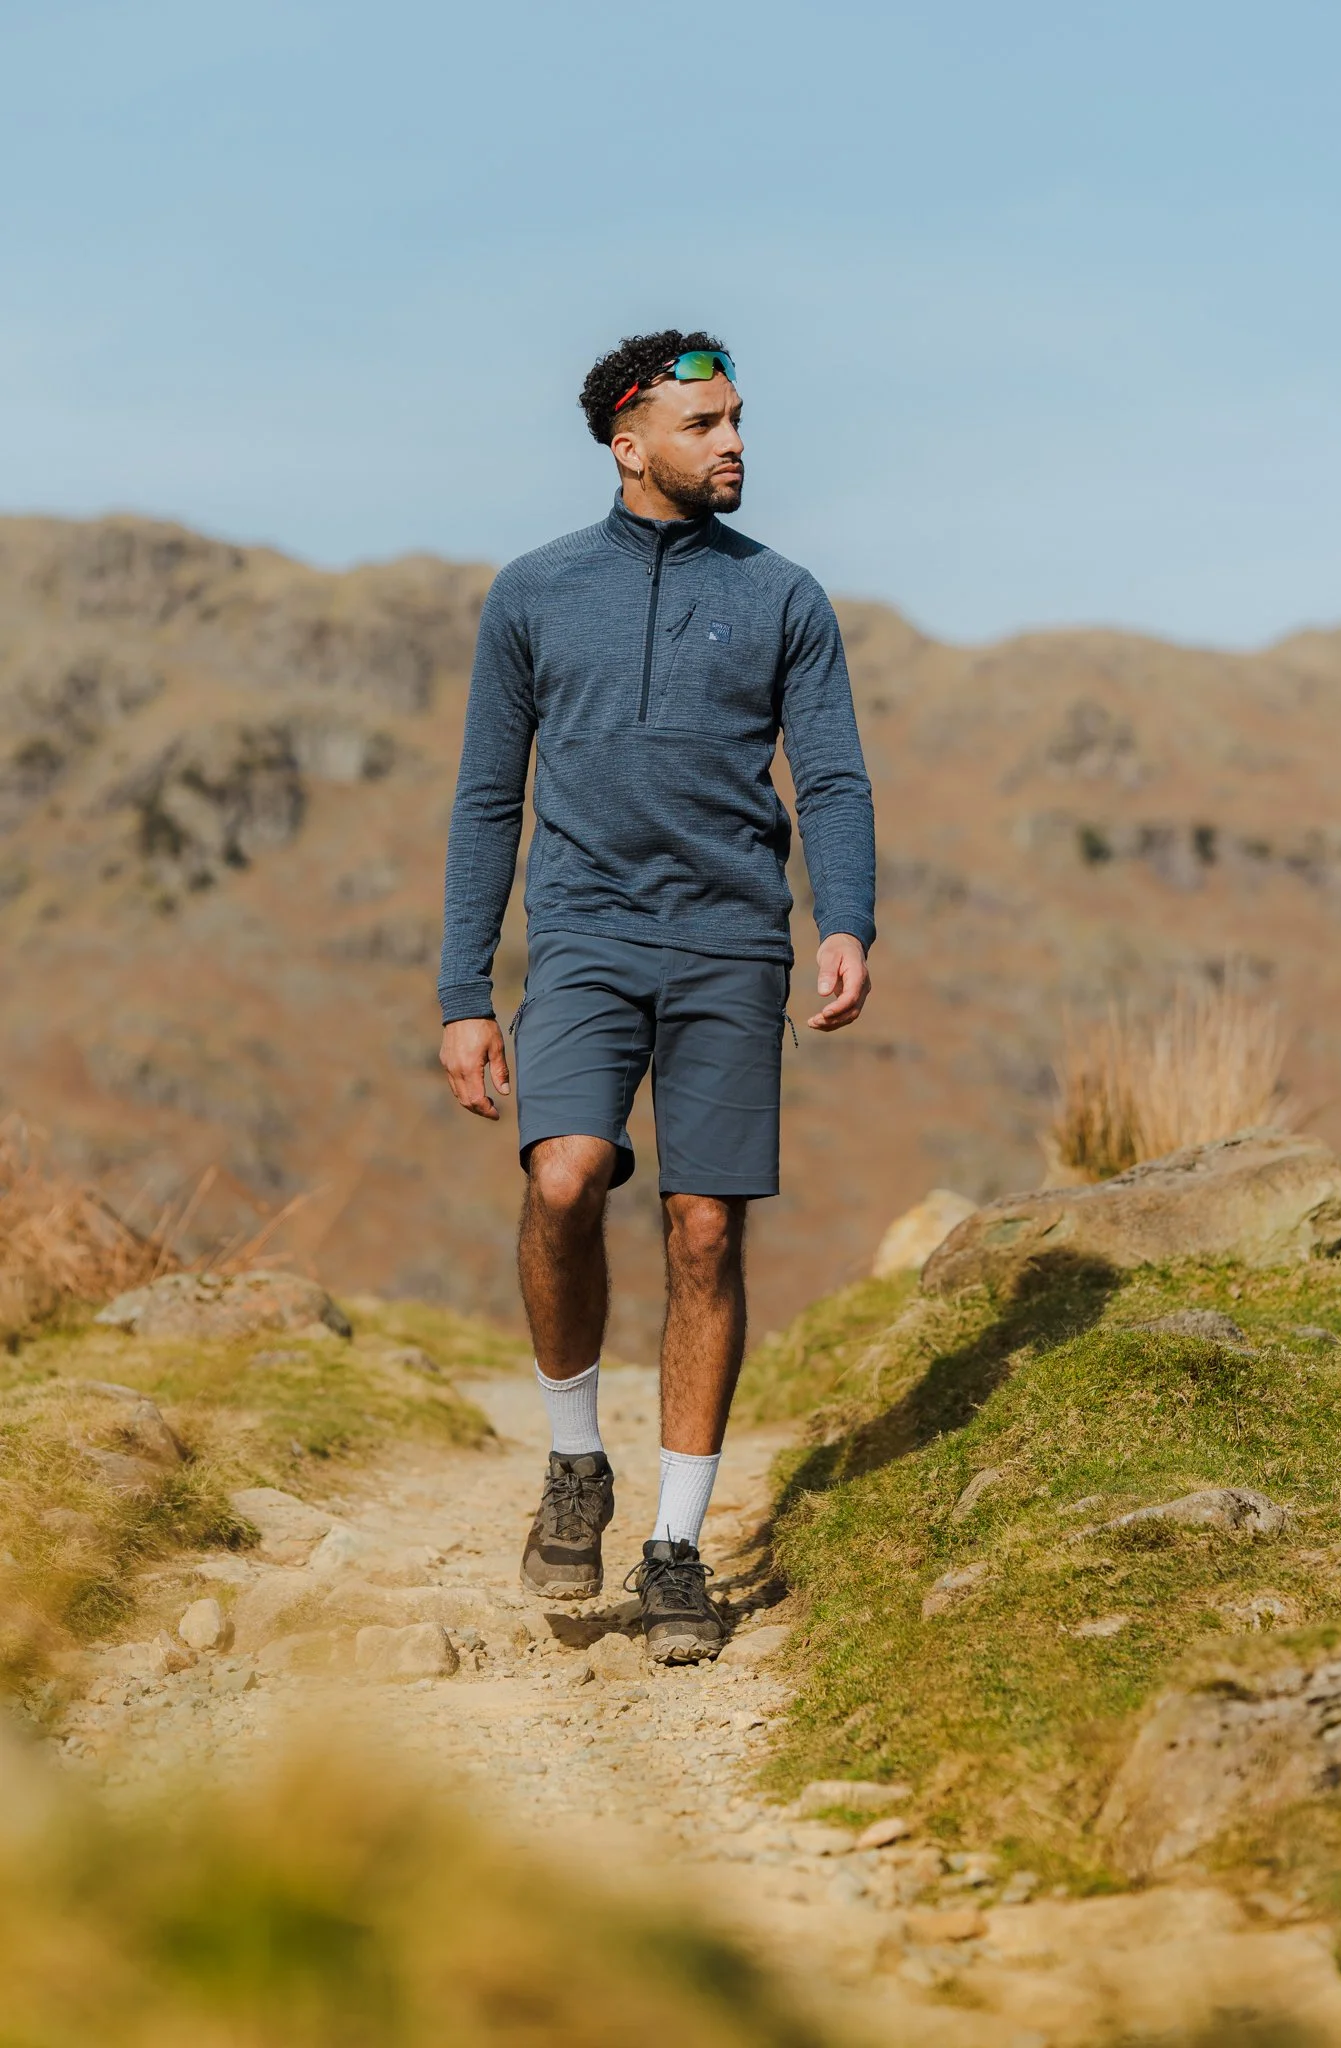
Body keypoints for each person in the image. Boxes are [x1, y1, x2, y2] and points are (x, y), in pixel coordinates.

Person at [437, 330, 876, 1662]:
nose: (732, 443)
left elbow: (835, 778)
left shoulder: (788, 597)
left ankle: (678, 1546)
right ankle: (577, 1461)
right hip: (581, 941)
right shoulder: (532, 594)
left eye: (738, 420)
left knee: (703, 1236)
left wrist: (843, 921)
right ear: (632, 447)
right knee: (563, 1180)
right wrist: (464, 988)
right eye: (704, 426)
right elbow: (486, 801)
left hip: (732, 945)